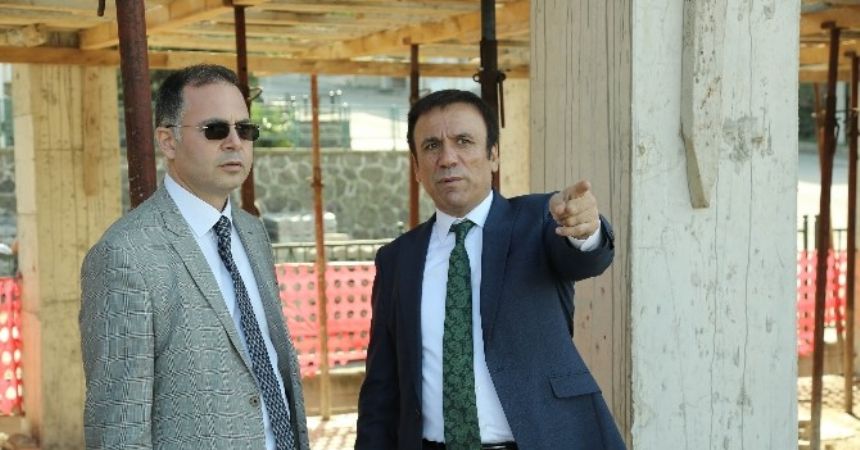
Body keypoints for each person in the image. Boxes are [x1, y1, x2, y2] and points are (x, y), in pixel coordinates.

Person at [355, 89, 625, 450]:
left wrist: (585, 231)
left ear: (493, 155)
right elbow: (382, 387)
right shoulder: (397, 259)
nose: (447, 158)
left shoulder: (539, 220)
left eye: (463, 141)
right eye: (432, 146)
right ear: (417, 166)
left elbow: (585, 259)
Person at [79, 64, 309, 450]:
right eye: (215, 129)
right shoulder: (124, 254)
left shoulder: (252, 233)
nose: (234, 142)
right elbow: (119, 426)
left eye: (245, 129)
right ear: (167, 141)